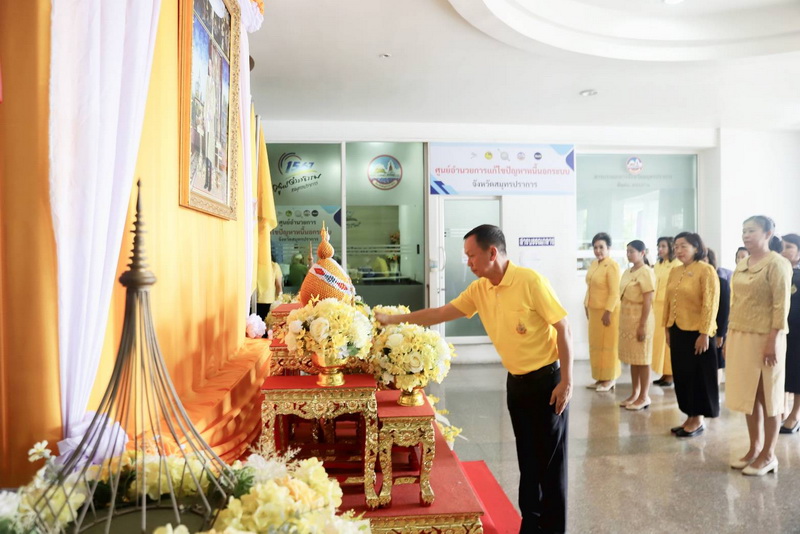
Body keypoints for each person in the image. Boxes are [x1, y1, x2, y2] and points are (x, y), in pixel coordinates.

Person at [376, 224, 573, 534]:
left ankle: (552, 528)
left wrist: (567, 382)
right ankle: (530, 525)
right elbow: (440, 313)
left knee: (550, 465)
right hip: (517, 383)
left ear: (492, 252)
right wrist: (393, 320)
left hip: (547, 383)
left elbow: (563, 328)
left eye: (471, 255)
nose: (467, 262)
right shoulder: (481, 289)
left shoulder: (530, 281)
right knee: (528, 461)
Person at [726, 216, 792, 475]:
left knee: (769, 396)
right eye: (743, 231)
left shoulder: (778, 264)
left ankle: (769, 454)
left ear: (768, 233)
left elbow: (780, 306)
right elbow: (736, 304)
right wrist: (729, 336)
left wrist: (772, 341)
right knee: (749, 396)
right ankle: (754, 448)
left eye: (751, 231)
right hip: (741, 335)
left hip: (767, 338)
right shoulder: (743, 263)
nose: (746, 235)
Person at [663, 232, 720, 438]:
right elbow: (668, 301)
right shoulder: (675, 270)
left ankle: (698, 419)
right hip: (678, 330)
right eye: (676, 246)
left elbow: (710, 304)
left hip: (698, 332)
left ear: (696, 248)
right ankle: (689, 414)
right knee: (683, 375)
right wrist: (666, 328)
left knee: (698, 376)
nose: (678, 250)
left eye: (683, 246)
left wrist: (705, 332)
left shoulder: (706, 270)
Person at [618, 240, 656, 411]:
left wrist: (642, 325)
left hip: (641, 319)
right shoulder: (627, 271)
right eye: (627, 251)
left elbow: (648, 300)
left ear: (642, 253)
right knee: (634, 360)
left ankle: (644, 396)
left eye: (632, 251)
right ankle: (635, 393)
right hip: (627, 320)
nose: (629, 254)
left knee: (643, 359)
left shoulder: (646, 272)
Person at [584, 232, 621, 392]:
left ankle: (610, 378)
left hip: (607, 312)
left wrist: (608, 311)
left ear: (609, 248)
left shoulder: (612, 265)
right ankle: (600, 377)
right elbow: (590, 286)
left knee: (608, 346)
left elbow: (614, 292)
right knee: (596, 346)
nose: (598, 251)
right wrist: (586, 305)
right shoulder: (594, 264)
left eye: (601, 247)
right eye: (595, 247)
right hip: (593, 310)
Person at [652, 237, 681, 387]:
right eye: (659, 246)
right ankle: (664, 373)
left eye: (663, 246)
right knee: (659, 342)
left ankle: (670, 374)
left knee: (668, 341)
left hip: (668, 305)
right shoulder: (658, 265)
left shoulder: (676, 265)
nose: (660, 249)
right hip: (656, 306)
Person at [780, 233, 800, 433]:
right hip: (781, 332)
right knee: (784, 373)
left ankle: (795, 415)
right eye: (782, 247)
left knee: (797, 374)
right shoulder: (779, 271)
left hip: (798, 333)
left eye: (789, 247)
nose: (783, 251)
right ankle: (784, 411)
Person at [705, 249, 730, 372]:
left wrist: (721, 334)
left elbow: (724, 311)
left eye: (705, 260)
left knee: (716, 364)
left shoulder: (722, 282)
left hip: (716, 329)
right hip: (701, 329)